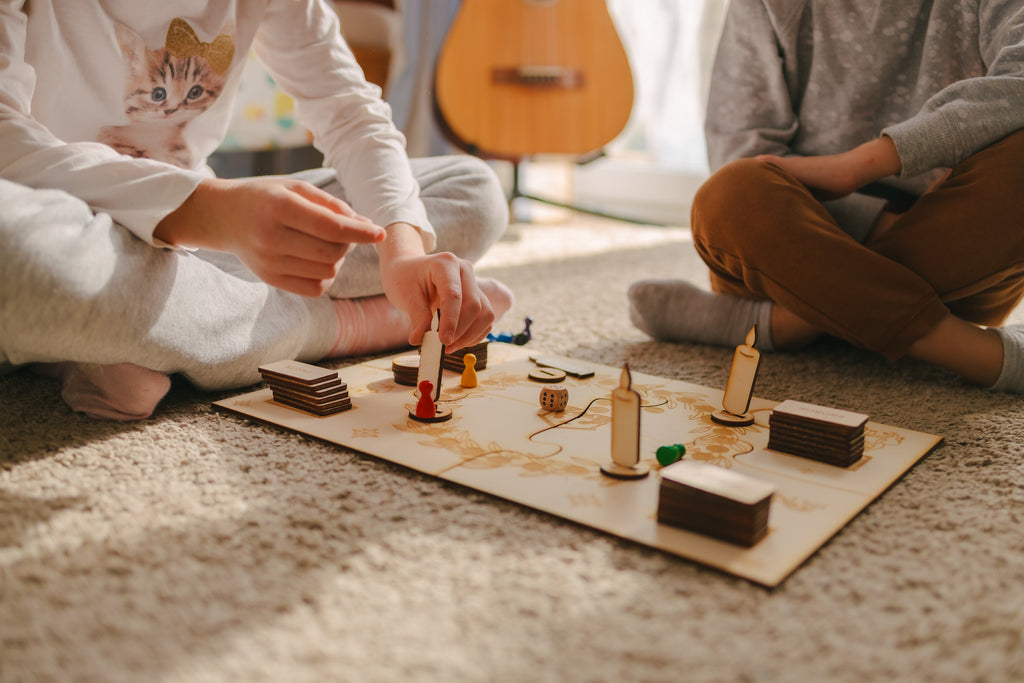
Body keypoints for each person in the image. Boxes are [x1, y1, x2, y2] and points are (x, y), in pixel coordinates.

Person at [0, 0, 514, 420]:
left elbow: (351, 113)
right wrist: (212, 212)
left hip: (199, 234)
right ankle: (332, 327)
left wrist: (401, 252)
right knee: (19, 260)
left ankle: (156, 334)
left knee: (471, 189)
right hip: (68, 223)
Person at [628, 0, 1024, 394]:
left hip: (944, 255)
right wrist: (881, 220)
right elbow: (743, 151)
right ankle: (978, 353)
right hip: (801, 241)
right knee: (728, 194)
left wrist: (859, 165)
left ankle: (778, 324)